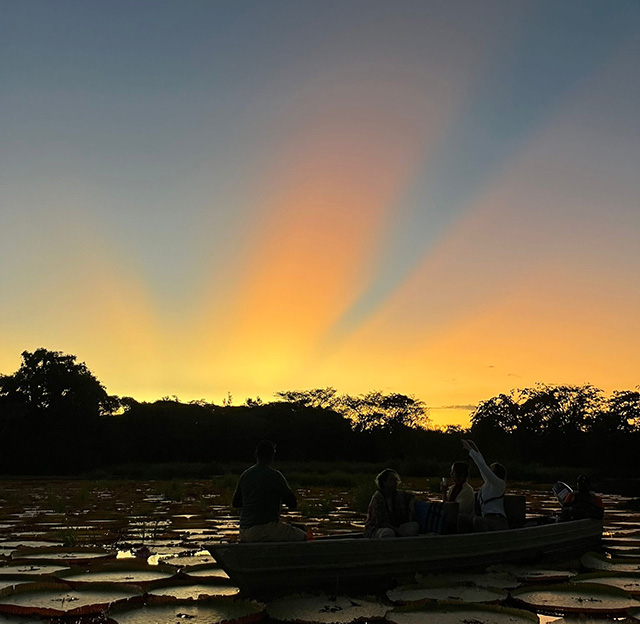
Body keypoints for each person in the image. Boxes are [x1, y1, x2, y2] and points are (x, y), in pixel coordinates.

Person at [232, 440, 306, 542]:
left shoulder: (245, 475)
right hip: (264, 529)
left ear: (256, 455)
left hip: (244, 531)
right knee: (303, 535)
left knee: (287, 529)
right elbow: (292, 503)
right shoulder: (275, 475)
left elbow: (236, 503)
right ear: (272, 456)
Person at [461, 439, 508, 532]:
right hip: (485, 519)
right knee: (461, 518)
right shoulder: (487, 484)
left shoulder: (499, 484)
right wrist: (476, 450)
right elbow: (482, 467)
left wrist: (470, 450)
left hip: (498, 521)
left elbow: (483, 466)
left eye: (491, 468)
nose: (489, 469)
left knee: (478, 521)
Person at [364, 469, 420, 538]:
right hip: (376, 529)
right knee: (388, 533)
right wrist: (397, 530)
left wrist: (411, 505)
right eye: (391, 479)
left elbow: (411, 496)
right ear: (384, 482)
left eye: (396, 480)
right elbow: (380, 522)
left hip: (396, 527)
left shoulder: (399, 494)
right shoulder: (378, 497)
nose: (395, 482)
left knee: (414, 526)